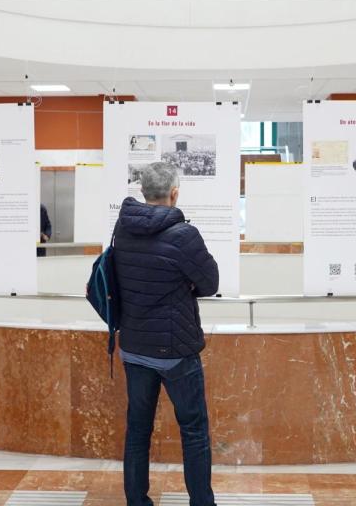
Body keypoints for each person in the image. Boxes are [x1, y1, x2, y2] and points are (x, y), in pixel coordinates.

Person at [112, 161, 218, 506]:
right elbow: (210, 283)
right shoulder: (184, 234)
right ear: (174, 193)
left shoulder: (123, 228)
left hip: (134, 346)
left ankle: (137, 501)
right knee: (194, 431)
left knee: (138, 430)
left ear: (143, 191)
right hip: (176, 352)